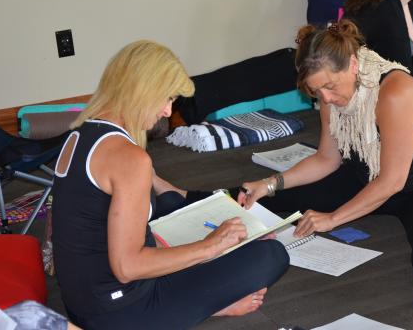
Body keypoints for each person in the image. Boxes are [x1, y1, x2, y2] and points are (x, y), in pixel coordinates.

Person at [51, 41, 289, 329]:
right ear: (141, 92)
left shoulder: (79, 135)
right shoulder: (130, 158)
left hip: (83, 303)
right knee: (270, 255)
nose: (167, 111)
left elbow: (64, 219)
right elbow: (127, 268)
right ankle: (213, 305)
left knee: (172, 204)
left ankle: (199, 297)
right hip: (123, 314)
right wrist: (209, 247)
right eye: (167, 98)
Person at [240, 20, 413, 310]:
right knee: (284, 194)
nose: (325, 98)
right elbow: (327, 159)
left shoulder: (396, 91)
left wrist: (332, 218)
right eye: (316, 92)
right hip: (369, 173)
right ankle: (195, 201)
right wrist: (270, 183)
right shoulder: (331, 90)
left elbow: (392, 181)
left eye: (328, 87)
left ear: (353, 64)